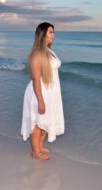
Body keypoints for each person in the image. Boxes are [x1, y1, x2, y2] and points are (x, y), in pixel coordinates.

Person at [21, 22, 65, 161]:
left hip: (51, 92)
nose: (53, 35)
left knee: (46, 120)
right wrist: (40, 100)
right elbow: (35, 79)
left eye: (53, 32)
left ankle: (39, 146)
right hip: (39, 92)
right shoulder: (36, 54)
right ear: (43, 34)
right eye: (51, 32)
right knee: (38, 123)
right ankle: (35, 152)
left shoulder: (48, 51)